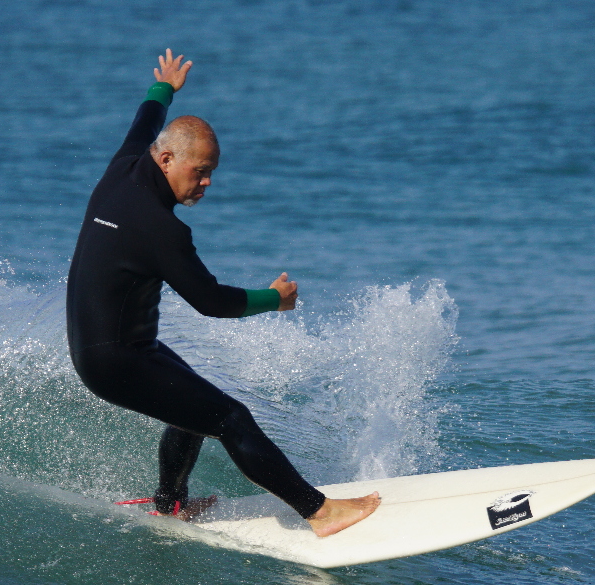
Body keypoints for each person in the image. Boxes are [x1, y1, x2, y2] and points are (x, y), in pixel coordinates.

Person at [66, 50, 379, 537]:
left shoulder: (122, 167)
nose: (208, 182)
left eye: (211, 171)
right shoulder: (160, 229)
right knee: (232, 418)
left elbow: (145, 121)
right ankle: (319, 512)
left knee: (192, 410)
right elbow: (210, 301)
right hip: (116, 359)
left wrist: (163, 89)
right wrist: (274, 299)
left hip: (112, 347)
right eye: (200, 171)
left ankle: (170, 504)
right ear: (166, 160)